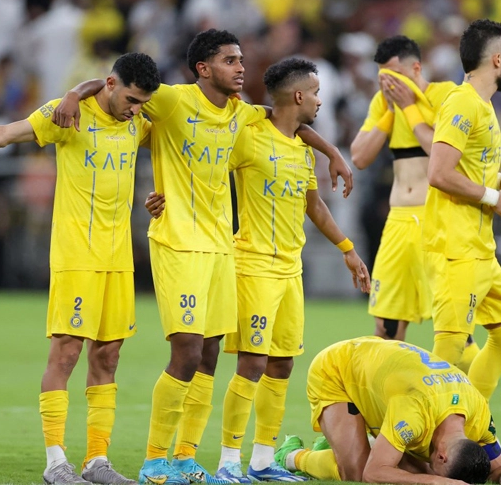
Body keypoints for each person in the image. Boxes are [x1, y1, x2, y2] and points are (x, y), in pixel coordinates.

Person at [52, 29, 353, 485]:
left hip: (220, 249)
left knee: (210, 354)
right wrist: (76, 93)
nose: (240, 68)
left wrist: (332, 152)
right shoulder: (171, 101)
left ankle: (187, 458)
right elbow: (119, 85)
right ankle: (157, 460)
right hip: (178, 244)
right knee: (190, 351)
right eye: (230, 60)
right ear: (203, 68)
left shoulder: (242, 115)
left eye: (242, 59)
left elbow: (286, 118)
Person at [0, 52, 161, 485]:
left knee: (109, 356)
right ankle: (55, 461)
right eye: (132, 99)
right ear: (111, 84)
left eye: (142, 103)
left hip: (118, 260)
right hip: (76, 256)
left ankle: (97, 461)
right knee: (66, 352)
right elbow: (4, 134)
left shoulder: (137, 123)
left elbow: (180, 149)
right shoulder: (68, 117)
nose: (136, 109)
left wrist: (163, 195)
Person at [146, 58, 371, 483]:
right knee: (251, 363)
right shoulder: (246, 136)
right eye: (317, 92)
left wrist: (347, 249)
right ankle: (229, 460)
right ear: (299, 96)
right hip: (251, 264)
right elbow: (198, 163)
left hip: (291, 270)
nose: (322, 100)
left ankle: (263, 460)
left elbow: (313, 205)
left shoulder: (303, 148)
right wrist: (164, 196)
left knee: (282, 364)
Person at [272, 336, 501, 485]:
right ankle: (293, 456)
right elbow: (373, 472)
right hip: (338, 370)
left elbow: (499, 463)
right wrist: (435, 482)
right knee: (355, 471)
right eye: (441, 471)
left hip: (383, 369)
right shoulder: (414, 412)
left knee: (413, 468)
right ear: (442, 457)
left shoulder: (478, 416)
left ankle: (338, 443)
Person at [424, 19, 501, 401]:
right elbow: (438, 173)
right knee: (448, 351)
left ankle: (467, 424)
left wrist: (498, 181)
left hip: (480, 247)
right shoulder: (463, 102)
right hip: (456, 247)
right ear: (497, 59)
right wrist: (490, 197)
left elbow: (465, 167)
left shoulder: (482, 106)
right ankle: (422, 437)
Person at [350, 35, 457, 347]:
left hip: (435, 219)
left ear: (416, 68)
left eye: (395, 74)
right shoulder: (383, 103)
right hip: (398, 221)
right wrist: (391, 112)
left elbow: (440, 151)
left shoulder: (446, 96)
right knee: (386, 326)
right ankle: (387, 393)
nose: (388, 82)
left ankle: (465, 392)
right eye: (383, 75)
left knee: (451, 324)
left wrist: (409, 108)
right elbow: (359, 157)